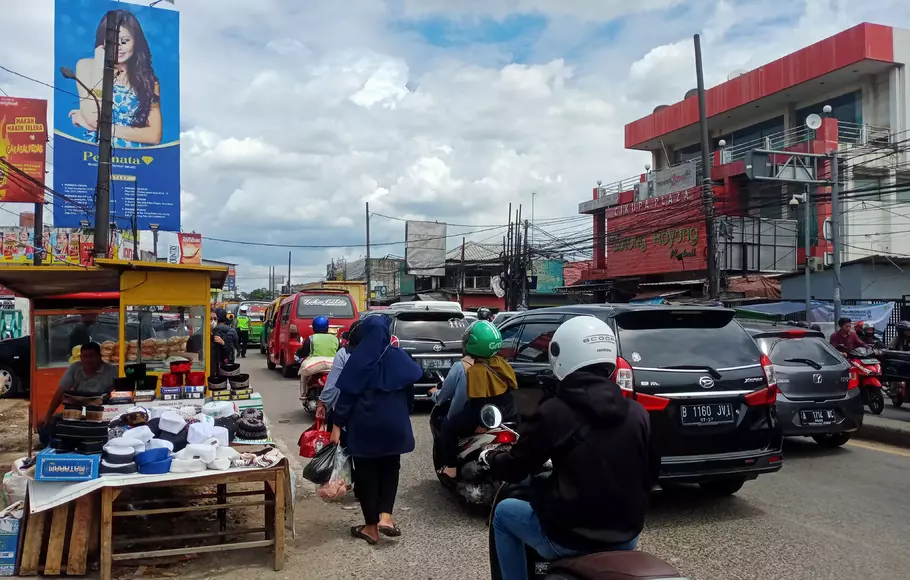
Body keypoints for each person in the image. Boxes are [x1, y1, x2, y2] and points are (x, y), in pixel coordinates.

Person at [483, 316, 659, 580]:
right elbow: (651, 474)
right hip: (626, 537)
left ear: (560, 355)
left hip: (568, 538)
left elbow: (517, 468)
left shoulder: (554, 412)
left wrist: (492, 458)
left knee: (503, 513)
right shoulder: (637, 412)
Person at [330, 315, 423, 545]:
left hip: (364, 428)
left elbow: (345, 399)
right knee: (391, 468)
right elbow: (409, 394)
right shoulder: (400, 358)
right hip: (394, 426)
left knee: (367, 475)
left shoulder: (357, 361)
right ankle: (386, 518)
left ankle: (371, 527)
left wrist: (336, 427)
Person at [432, 320, 517, 481]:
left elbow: (478, 400)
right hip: (508, 414)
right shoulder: (501, 363)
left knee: (447, 427)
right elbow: (512, 387)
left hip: (486, 416)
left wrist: (481, 424)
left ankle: (451, 468)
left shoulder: (476, 370)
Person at [68, 9, 162, 147]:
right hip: (94, 157)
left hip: (136, 160)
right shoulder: (86, 66)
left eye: (124, 41)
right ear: (103, 42)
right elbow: (94, 117)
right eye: (112, 42)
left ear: (136, 42)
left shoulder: (149, 80)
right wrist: (100, 62)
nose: (118, 48)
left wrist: (102, 128)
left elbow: (154, 136)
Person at [40, 342, 118, 446]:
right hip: (76, 412)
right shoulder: (75, 368)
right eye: (85, 357)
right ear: (81, 358)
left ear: (99, 357)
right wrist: (48, 415)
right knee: (45, 425)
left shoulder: (112, 371)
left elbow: (119, 394)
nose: (88, 360)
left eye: (91, 356)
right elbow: (60, 392)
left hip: (101, 414)